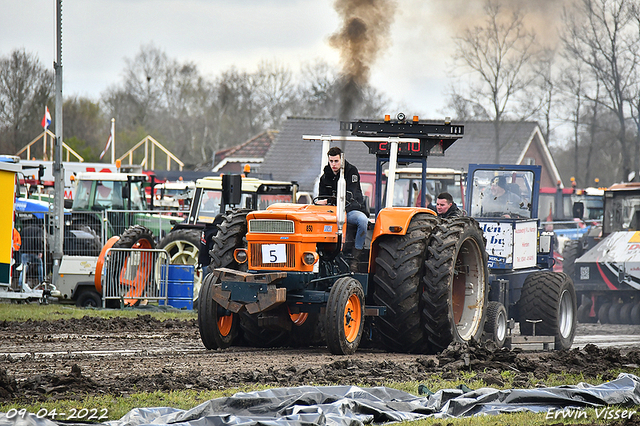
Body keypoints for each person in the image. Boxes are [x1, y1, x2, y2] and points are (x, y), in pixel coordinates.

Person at [317, 146, 369, 272]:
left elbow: (349, 195)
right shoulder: (325, 177)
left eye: (336, 161)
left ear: (342, 160)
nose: (333, 164)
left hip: (350, 210)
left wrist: (329, 201)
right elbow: (321, 198)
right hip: (332, 213)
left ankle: (355, 258)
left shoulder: (351, 172)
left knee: (362, 221)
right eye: (331, 161)